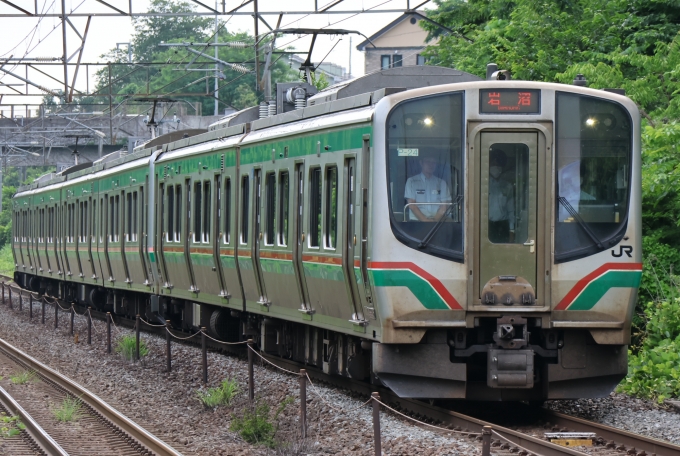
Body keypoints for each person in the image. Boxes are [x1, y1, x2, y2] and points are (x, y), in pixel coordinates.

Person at [404, 153, 452, 221]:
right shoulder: (412, 181)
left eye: (433, 162)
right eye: (428, 161)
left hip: (438, 222)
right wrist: (425, 220)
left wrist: (434, 220)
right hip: (416, 222)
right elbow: (412, 205)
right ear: (421, 163)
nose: (431, 165)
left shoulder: (441, 183)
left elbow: (445, 206)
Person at [488, 149, 515, 243]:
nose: (496, 167)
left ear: (502, 167)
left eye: (498, 165)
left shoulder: (507, 186)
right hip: (486, 226)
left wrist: (511, 231)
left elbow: (511, 210)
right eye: (493, 164)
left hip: (503, 226)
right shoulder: (482, 185)